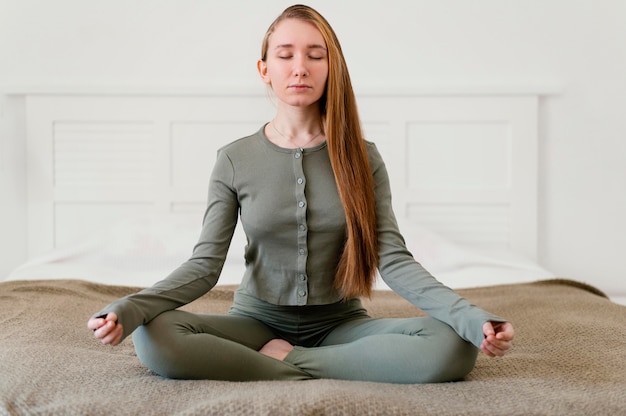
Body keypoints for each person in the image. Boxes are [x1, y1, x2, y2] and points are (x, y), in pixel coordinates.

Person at [88, 4, 514, 384]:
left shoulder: (364, 158)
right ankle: (323, 362)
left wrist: (469, 317)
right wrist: (131, 308)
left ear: (333, 67)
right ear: (264, 69)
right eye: (285, 55)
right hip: (255, 320)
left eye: (315, 55)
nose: (299, 68)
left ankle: (291, 362)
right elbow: (204, 266)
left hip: (341, 322)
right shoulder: (234, 159)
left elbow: (394, 260)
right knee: (154, 336)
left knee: (452, 344)